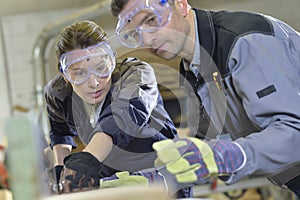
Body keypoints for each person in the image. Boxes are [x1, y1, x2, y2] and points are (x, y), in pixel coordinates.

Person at [110, 0, 300, 198]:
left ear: (181, 5)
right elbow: (203, 150)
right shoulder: (193, 71)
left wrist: (228, 156)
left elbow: (295, 132)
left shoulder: (243, 41)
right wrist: (153, 179)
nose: (147, 40)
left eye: (151, 20)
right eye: (136, 33)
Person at [43, 20, 192, 197]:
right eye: (79, 73)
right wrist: (62, 172)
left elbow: (121, 118)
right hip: (113, 181)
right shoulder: (58, 94)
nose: (94, 82)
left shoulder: (136, 75)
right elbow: (60, 135)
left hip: (162, 178)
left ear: (112, 60)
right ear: (65, 75)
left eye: (100, 68)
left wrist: (85, 160)